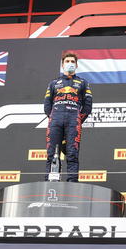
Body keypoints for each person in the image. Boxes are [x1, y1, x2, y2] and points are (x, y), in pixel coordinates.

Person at [44, 52, 93, 182]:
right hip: (55, 120)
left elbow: (88, 106)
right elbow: (47, 105)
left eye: (72, 62)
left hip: (73, 120)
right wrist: (53, 117)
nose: (70, 64)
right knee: (51, 154)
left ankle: (72, 181)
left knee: (72, 153)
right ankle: (51, 181)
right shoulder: (54, 83)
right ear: (62, 64)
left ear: (76, 65)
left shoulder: (83, 83)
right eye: (67, 61)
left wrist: (77, 119)